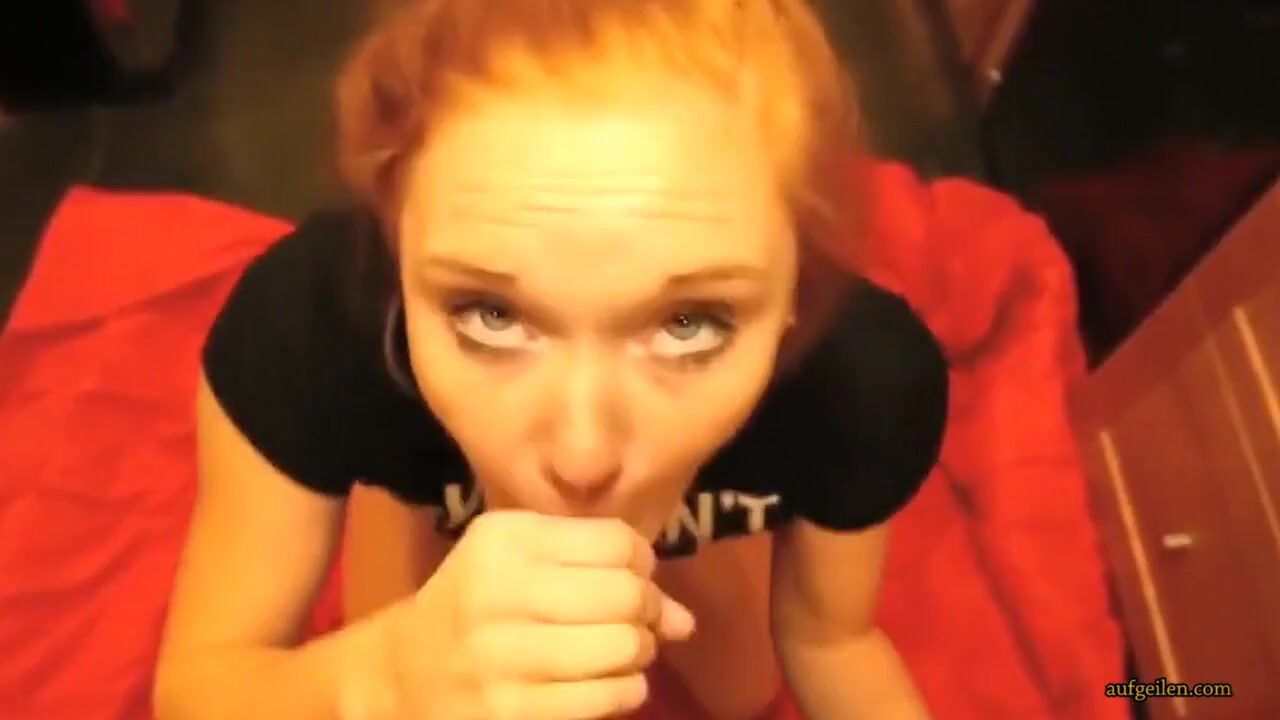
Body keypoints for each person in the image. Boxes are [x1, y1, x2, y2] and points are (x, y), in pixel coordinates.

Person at [152, 0, 949, 718]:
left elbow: (831, 639)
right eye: (489, 314)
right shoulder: (312, 332)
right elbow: (203, 686)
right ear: (396, 250)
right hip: (408, 439)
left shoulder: (862, 384)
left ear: (797, 295)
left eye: (690, 324)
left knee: (739, 689)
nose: (582, 456)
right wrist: (380, 677)